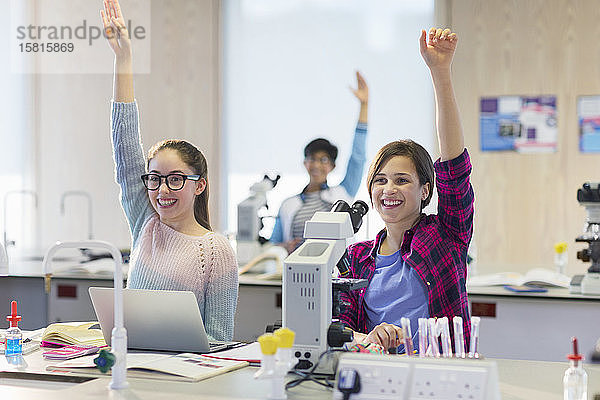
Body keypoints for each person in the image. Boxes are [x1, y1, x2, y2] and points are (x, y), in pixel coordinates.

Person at [100, 0, 238, 341]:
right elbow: (124, 144)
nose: (162, 190)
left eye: (175, 180)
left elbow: (219, 340)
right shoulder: (145, 225)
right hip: (132, 364)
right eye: (155, 179)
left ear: (199, 185)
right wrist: (123, 60)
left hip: (185, 381)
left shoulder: (216, 251)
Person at [339, 28, 473, 353]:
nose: (389, 189)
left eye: (402, 180)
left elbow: (454, 166)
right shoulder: (356, 258)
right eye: (380, 180)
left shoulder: (445, 237)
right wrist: (367, 338)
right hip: (376, 376)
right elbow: (338, 328)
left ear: (426, 190)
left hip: (439, 375)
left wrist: (440, 72)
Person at [270, 72, 369, 253]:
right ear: (305, 163)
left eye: (323, 160)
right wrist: (285, 246)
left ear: (332, 166)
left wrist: (364, 105)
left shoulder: (343, 193)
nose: (316, 165)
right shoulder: (288, 205)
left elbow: (358, 157)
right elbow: (272, 244)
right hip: (298, 272)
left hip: (336, 272)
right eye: (312, 159)